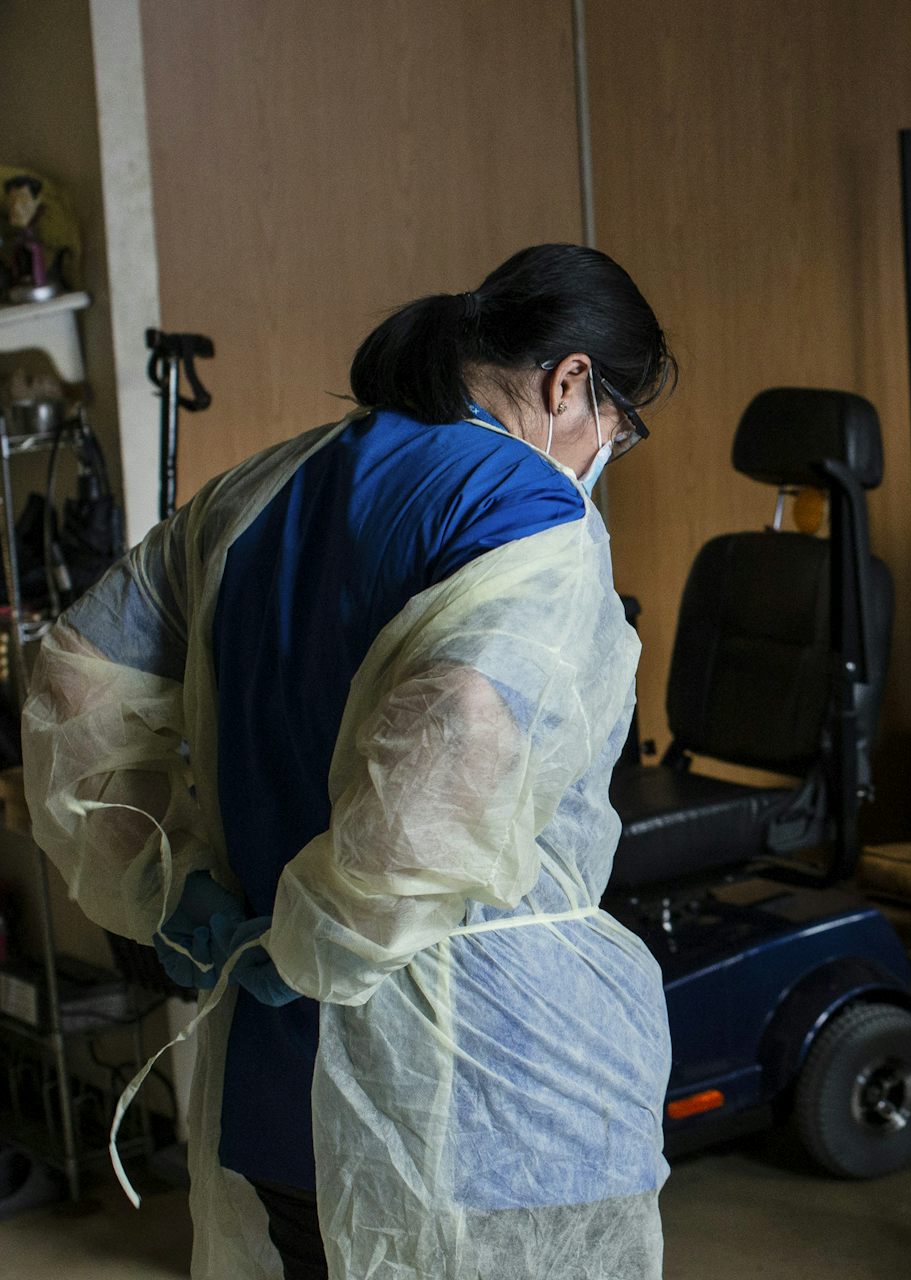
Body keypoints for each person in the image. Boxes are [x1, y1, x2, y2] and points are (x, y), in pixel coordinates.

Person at [22, 243, 675, 1279]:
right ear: (570, 382)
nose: (605, 450)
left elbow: (70, 678)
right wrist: (328, 933)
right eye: (618, 426)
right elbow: (464, 719)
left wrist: (166, 879)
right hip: (475, 1088)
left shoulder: (256, 493)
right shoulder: (528, 514)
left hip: (281, 1089)